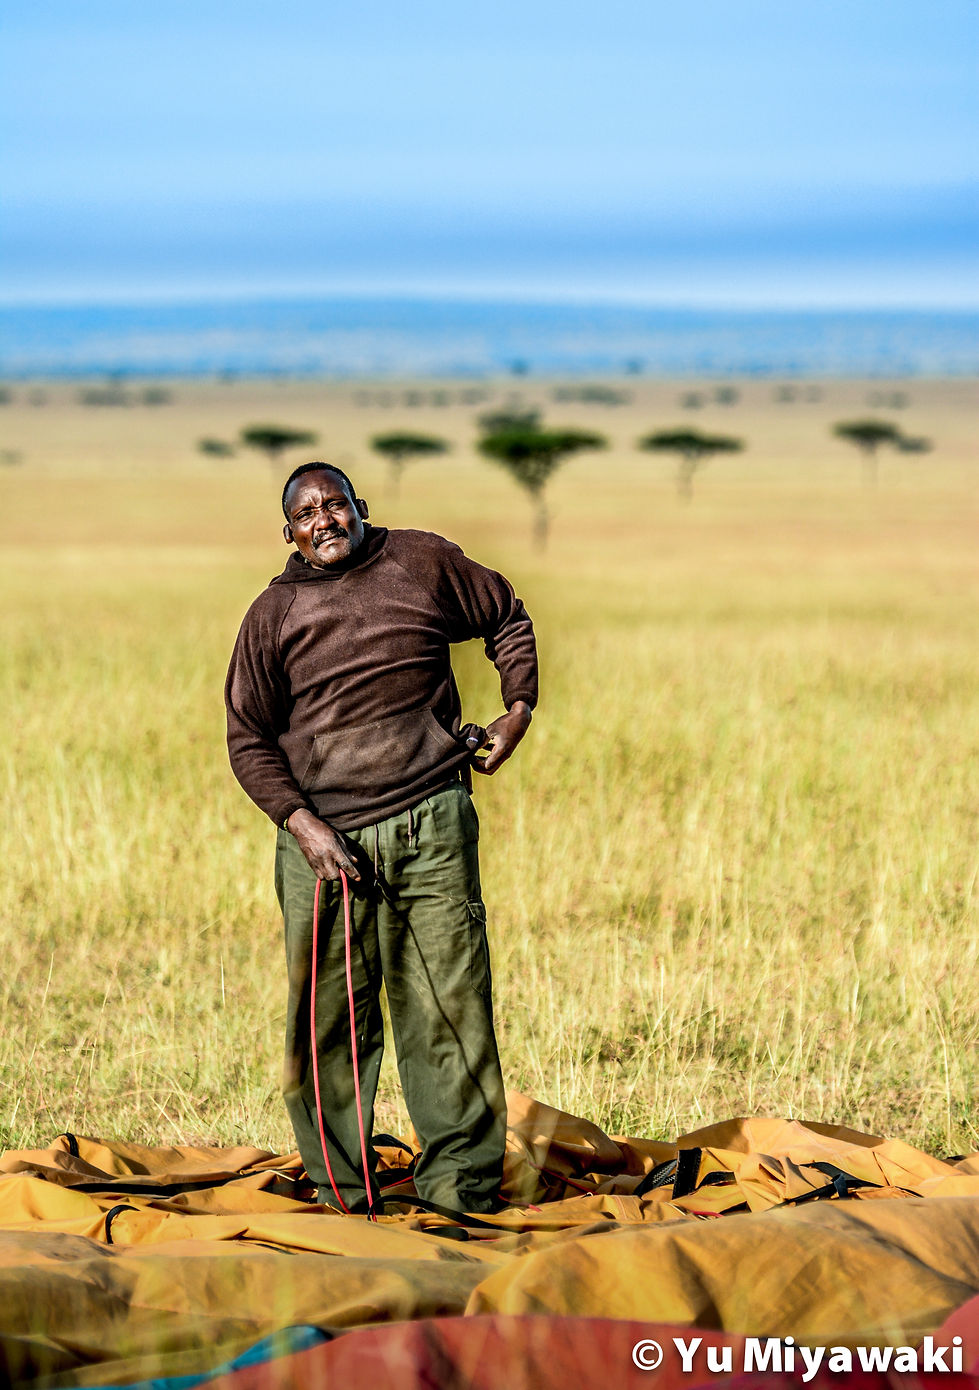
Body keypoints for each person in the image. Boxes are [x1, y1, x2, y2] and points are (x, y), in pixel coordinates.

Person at [225, 462, 537, 1214]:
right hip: (324, 847)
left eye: (336, 504)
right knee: (329, 1018)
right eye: (306, 513)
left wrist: (516, 707)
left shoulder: (422, 562)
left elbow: (507, 615)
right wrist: (302, 826)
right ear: (290, 533)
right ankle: (343, 1194)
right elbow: (247, 738)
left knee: (449, 1006)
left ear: (361, 508)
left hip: (432, 819)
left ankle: (458, 1187)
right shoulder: (273, 615)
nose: (324, 520)